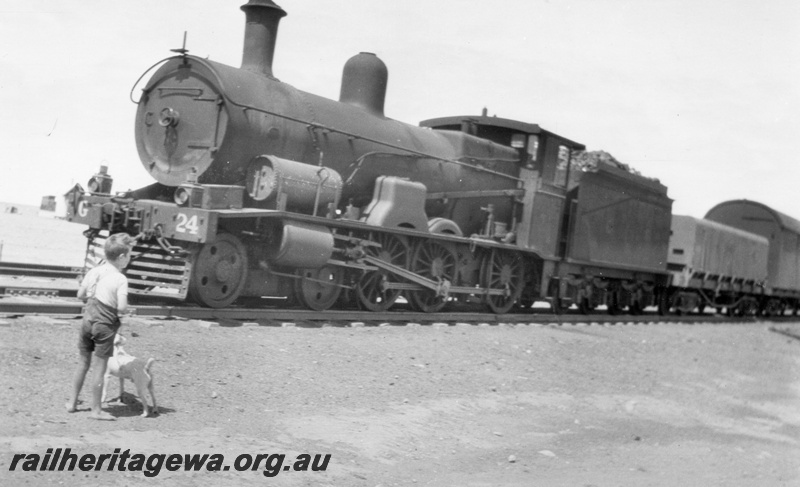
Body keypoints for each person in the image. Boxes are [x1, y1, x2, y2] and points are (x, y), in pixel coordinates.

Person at [66, 233, 136, 420]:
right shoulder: (121, 279)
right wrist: (125, 307)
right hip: (104, 327)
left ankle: (72, 402)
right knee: (99, 368)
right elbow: (121, 307)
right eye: (129, 255)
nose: (129, 259)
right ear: (121, 257)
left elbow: (80, 294)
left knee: (82, 363)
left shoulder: (94, 271)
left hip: (87, 322)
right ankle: (96, 410)